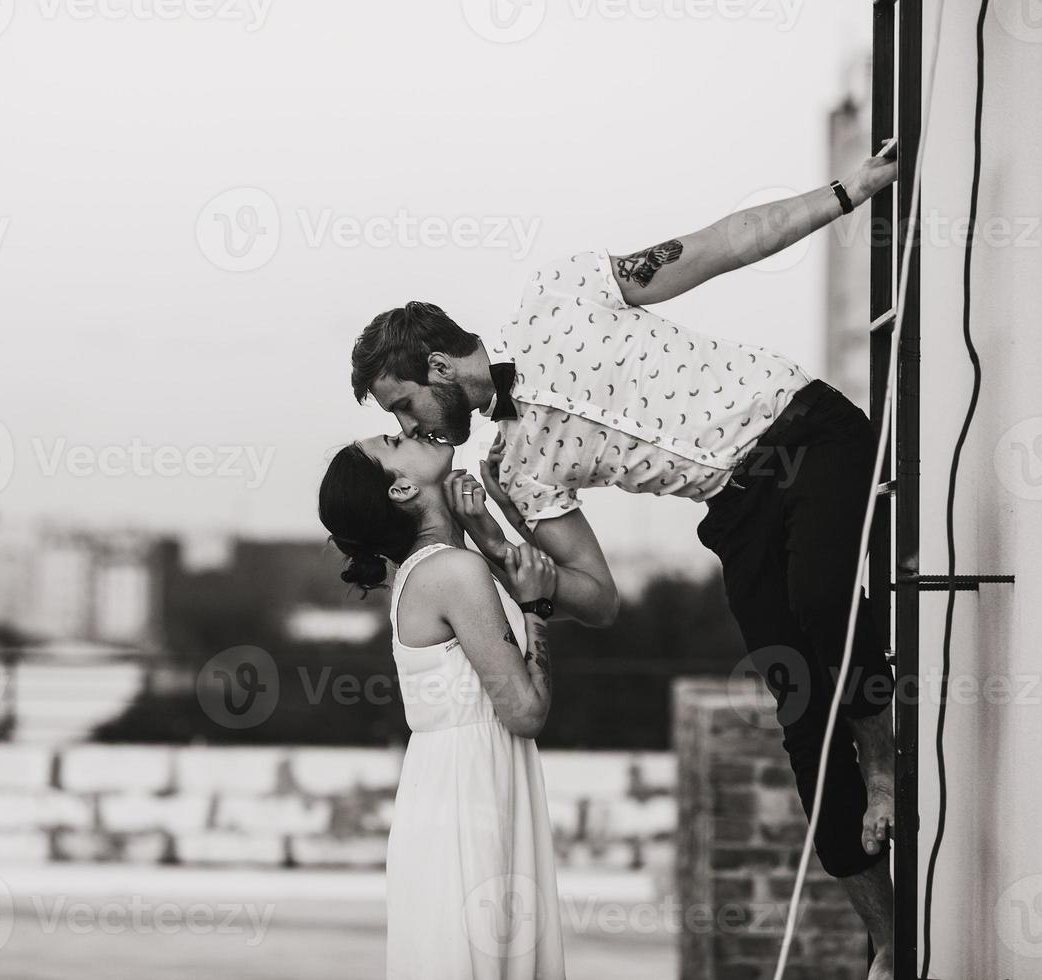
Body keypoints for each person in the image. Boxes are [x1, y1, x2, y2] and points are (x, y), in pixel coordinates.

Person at [347, 141, 902, 980]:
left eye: (406, 408)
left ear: (436, 366)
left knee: (824, 601)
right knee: (795, 704)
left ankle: (886, 768)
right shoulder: (511, 472)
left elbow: (721, 245)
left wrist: (846, 192)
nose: (419, 431)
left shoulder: (561, 293)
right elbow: (597, 597)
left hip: (806, 431)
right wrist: (510, 559)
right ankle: (891, 938)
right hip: (738, 506)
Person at [319, 431, 566, 980]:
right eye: (392, 439)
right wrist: (537, 608)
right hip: (469, 793)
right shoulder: (453, 572)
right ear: (402, 487)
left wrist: (485, 525)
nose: (408, 431)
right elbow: (526, 711)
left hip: (458, 782)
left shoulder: (440, 566)